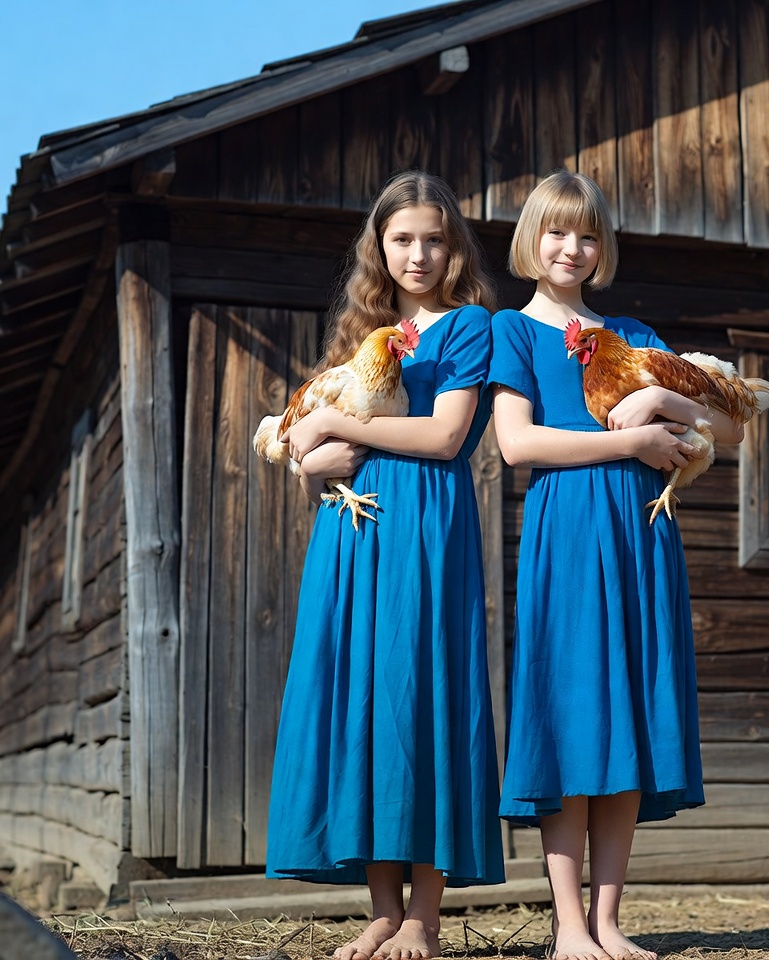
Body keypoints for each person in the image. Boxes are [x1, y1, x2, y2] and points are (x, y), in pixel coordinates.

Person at [489, 170, 744, 960]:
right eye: (559, 232)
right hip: (567, 531)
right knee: (571, 716)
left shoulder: (632, 333)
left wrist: (664, 405)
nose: (573, 247)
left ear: (603, 249)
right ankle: (567, 925)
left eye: (588, 235)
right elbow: (517, 444)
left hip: (639, 535)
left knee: (625, 713)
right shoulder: (512, 330)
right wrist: (627, 442)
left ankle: (607, 922)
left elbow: (729, 427)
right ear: (533, 239)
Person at [266, 170, 505, 960]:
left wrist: (340, 428)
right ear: (380, 247)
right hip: (353, 527)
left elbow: (442, 439)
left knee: (425, 696)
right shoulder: (358, 332)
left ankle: (423, 918)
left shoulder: (470, 327)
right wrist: (323, 443)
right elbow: (305, 455)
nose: (419, 254)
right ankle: (379, 907)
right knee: (363, 699)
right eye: (402, 239)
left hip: (427, 525)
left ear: (453, 247)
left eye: (434, 239)